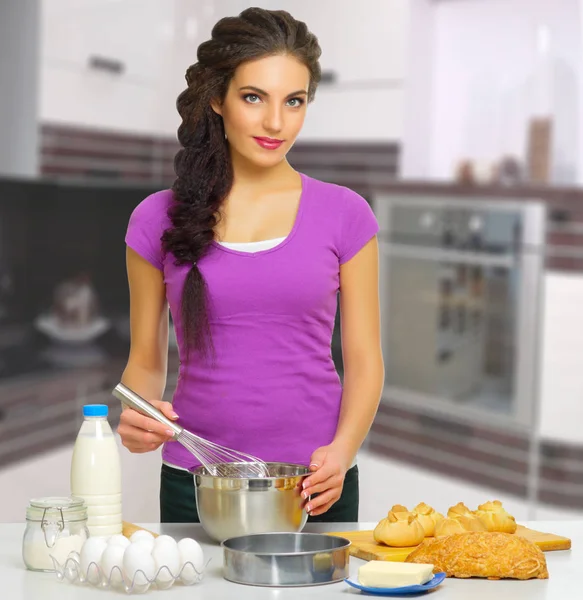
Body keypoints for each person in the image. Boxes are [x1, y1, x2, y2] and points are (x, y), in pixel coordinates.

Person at [118, 7, 384, 523]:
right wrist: (139, 418)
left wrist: (344, 450)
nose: (275, 123)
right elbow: (147, 361)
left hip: (316, 481)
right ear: (217, 98)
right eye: (253, 97)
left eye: (295, 101)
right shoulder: (155, 219)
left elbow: (365, 359)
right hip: (196, 480)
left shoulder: (346, 215)